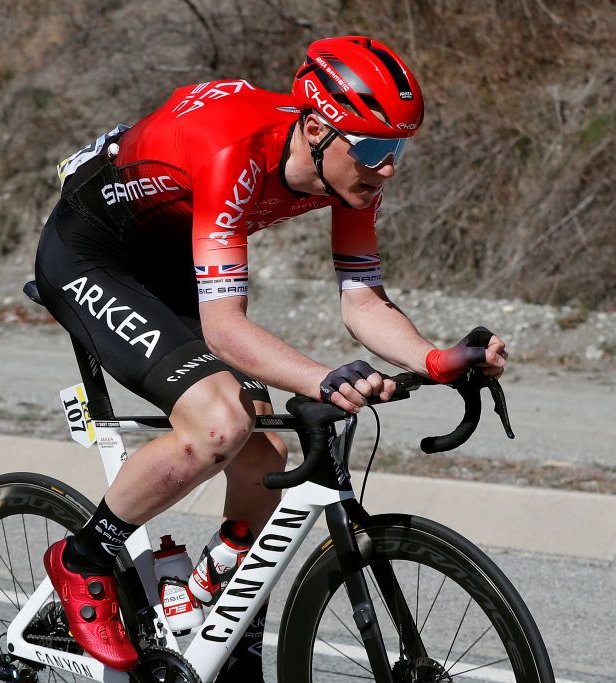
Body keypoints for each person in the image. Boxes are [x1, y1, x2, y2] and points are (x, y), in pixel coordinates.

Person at [33, 35, 508, 679]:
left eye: (397, 148)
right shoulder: (237, 153)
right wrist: (325, 377)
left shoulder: (353, 174)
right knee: (221, 424)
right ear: (316, 128)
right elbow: (227, 331)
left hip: (173, 256)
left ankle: (209, 599)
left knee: (267, 452)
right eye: (373, 147)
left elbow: (363, 302)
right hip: (93, 252)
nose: (388, 166)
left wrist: (436, 360)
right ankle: (85, 558)